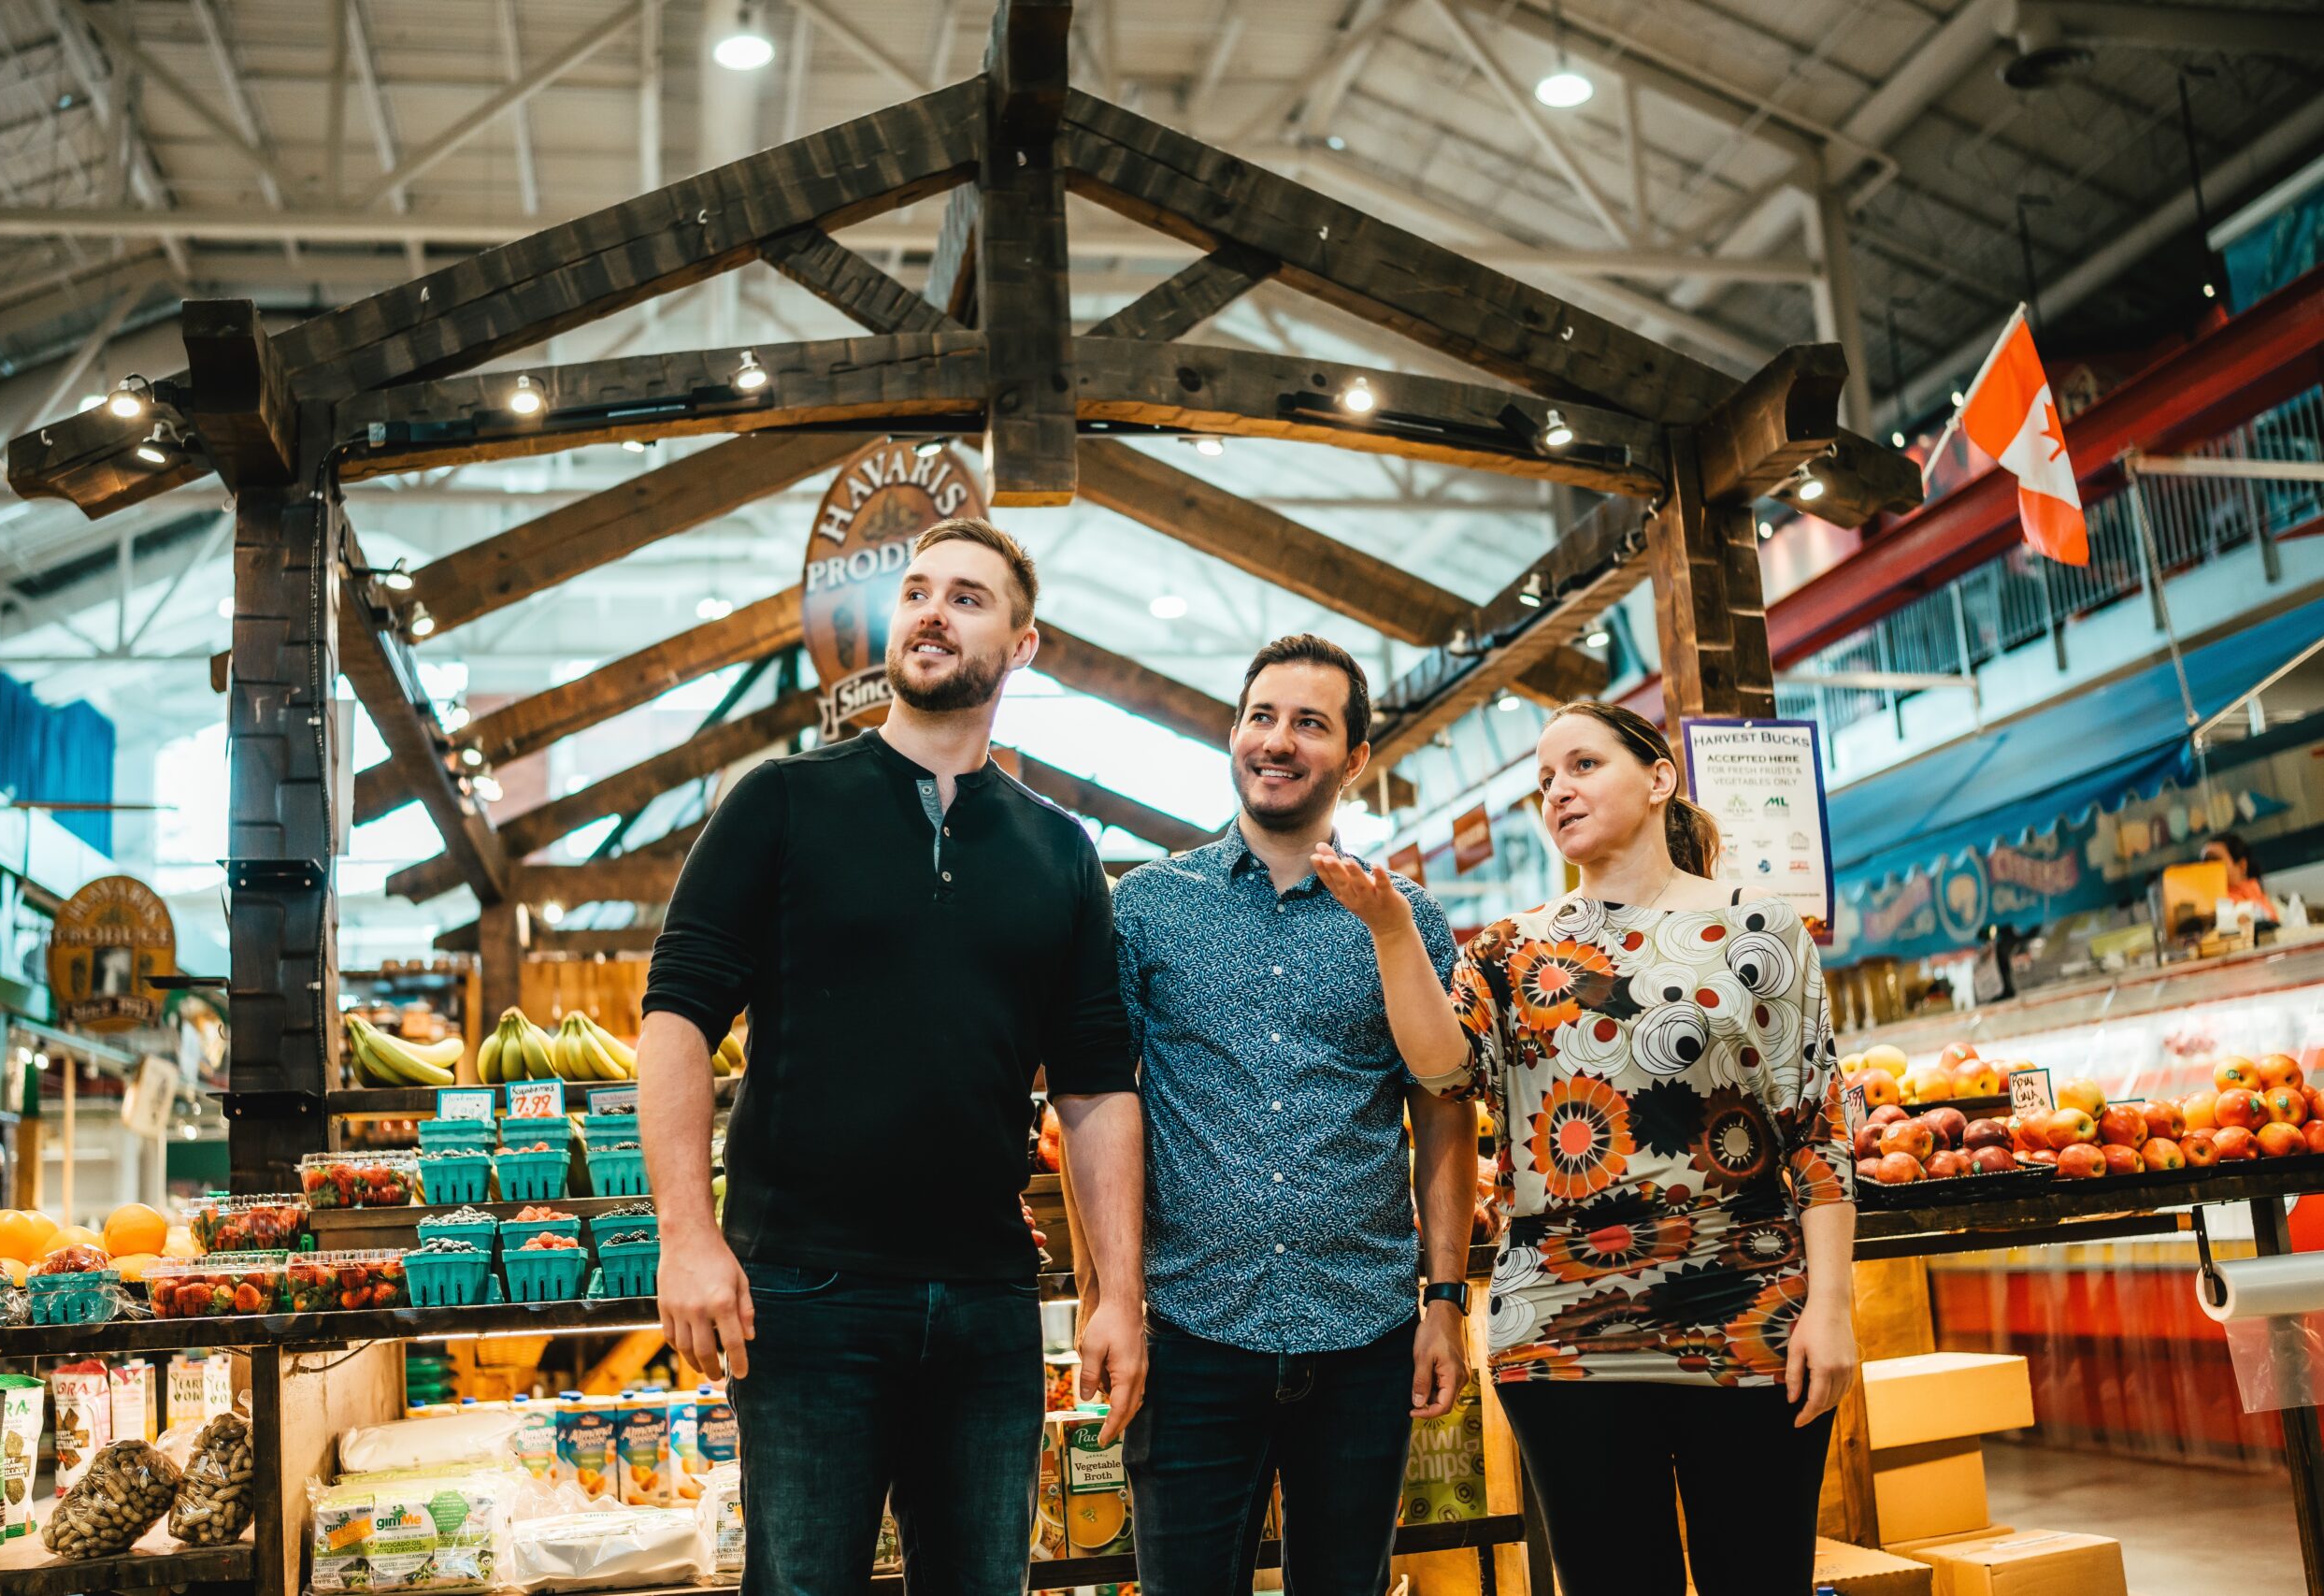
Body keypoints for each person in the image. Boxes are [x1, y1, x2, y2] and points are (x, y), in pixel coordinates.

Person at [639, 517, 1147, 1596]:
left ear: (1021, 646)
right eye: (917, 590)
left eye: (967, 597)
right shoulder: (780, 801)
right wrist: (685, 1234)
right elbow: (676, 1016)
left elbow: (1096, 1084)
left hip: (986, 1302)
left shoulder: (1059, 851)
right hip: (806, 1294)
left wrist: (1119, 1295)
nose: (930, 610)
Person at [1312, 698, 1857, 1596]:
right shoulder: (1511, 950)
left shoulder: (1761, 930)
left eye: (1581, 766)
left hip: (1751, 1315)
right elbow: (1443, 1070)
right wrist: (1392, 931)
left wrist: (1830, 1307)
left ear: (1658, 778)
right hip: (1566, 1337)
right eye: (1542, 782)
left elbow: (1817, 1130)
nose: (1557, 790)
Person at [1086, 634, 1478, 1596]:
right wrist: (1112, 1297)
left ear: (1353, 760)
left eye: (1310, 723)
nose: (1278, 740)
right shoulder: (1146, 908)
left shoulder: (1406, 919)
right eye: (1261, 716)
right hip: (1191, 1334)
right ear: (1232, 734)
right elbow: (1099, 1100)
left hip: (1366, 1337)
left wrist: (1443, 1300)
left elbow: (1443, 1109)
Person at [2204, 832, 2278, 923]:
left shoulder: (2257, 892)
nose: (2207, 867)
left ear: (2242, 865)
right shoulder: (2206, 905)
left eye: (2215, 860)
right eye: (2205, 861)